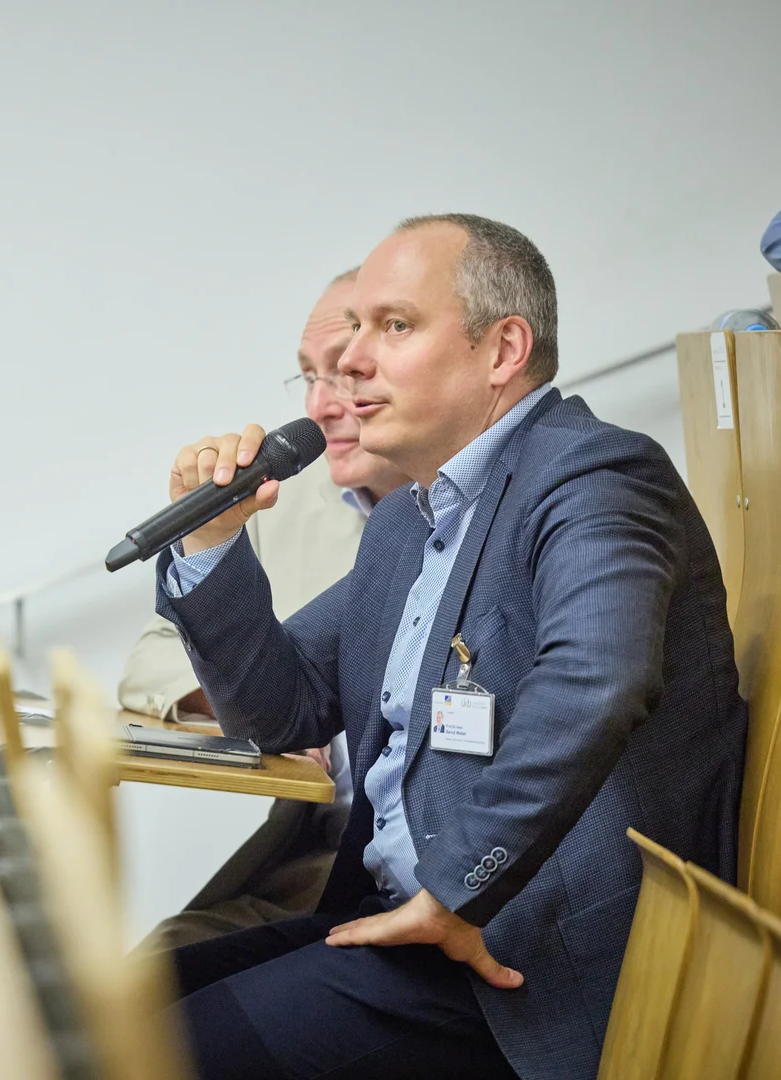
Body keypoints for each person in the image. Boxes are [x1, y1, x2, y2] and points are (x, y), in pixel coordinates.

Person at [154, 213, 745, 1080]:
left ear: (503, 349)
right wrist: (212, 541)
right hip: (402, 915)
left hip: (521, 954)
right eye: (356, 328)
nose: (353, 360)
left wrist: (456, 887)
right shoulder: (406, 521)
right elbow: (278, 708)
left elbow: (596, 681)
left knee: (163, 1053)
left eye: (393, 326)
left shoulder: (598, 477)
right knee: (111, 1010)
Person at [119, 268, 408, 948]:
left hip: (406, 876)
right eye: (308, 376)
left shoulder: (472, 519)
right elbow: (154, 656)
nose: (321, 405)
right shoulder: (282, 504)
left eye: (343, 374)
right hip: (310, 854)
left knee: (154, 1002)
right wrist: (252, 696)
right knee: (139, 973)